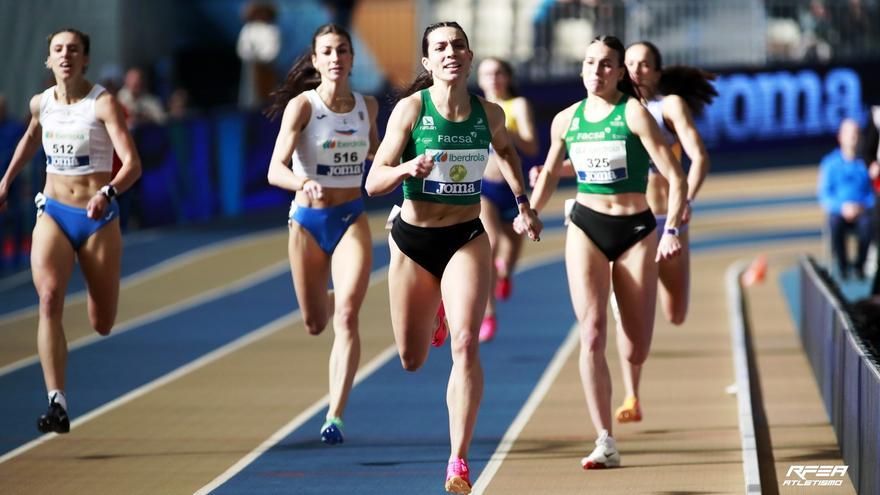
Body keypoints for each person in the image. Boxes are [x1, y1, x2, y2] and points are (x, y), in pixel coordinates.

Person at [365, 22, 541, 494]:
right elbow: (373, 182)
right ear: (427, 61)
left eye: (458, 45)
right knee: (411, 358)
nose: (450, 52)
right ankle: (436, 310)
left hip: (465, 236)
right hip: (413, 242)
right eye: (439, 47)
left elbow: (507, 152)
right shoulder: (409, 111)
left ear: (468, 55)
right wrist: (406, 166)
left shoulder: (490, 113)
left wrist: (523, 203)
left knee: (466, 344)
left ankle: (458, 460)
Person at [527, 35, 686, 470]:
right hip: (586, 224)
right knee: (592, 332)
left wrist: (671, 229)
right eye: (590, 63)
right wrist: (531, 211)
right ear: (581, 69)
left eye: (606, 65)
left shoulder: (632, 113)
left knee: (635, 348)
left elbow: (675, 176)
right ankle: (604, 439)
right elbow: (548, 175)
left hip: (636, 228)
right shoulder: (566, 120)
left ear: (619, 73)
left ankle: (629, 334)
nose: (597, 71)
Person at [0, 28, 142, 433]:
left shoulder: (103, 104)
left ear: (84, 60)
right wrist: (6, 181)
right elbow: (31, 137)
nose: (65, 56)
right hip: (55, 213)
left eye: (73, 50)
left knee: (102, 322)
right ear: (48, 60)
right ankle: (56, 402)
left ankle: (100, 301)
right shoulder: (40, 102)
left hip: (97, 218)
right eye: (58, 50)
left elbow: (132, 164)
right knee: (48, 299)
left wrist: (109, 192)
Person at [264, 23, 379, 445]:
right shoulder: (303, 107)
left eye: (343, 51)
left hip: (351, 217)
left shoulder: (368, 105)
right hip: (307, 222)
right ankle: (329, 297)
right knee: (315, 322)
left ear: (351, 58)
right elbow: (275, 169)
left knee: (347, 315)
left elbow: (377, 156)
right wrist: (302, 183)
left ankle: (335, 415)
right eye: (327, 52)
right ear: (315, 61)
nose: (336, 58)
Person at [610, 41, 716, 423]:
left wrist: (688, 200)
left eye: (644, 65)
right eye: (631, 64)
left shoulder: (668, 106)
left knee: (675, 313)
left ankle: (668, 302)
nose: (637, 71)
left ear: (657, 72)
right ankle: (631, 396)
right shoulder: (615, 109)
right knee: (628, 311)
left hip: (669, 220)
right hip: (630, 223)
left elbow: (699, 156)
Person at [475, 57, 539, 342]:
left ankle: (505, 274)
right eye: (487, 73)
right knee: (491, 244)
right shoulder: (475, 108)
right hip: (484, 188)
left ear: (508, 77)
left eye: (499, 72)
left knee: (511, 251)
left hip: (513, 191)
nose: (493, 78)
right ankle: (488, 314)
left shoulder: (517, 106)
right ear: (479, 78)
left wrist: (505, 130)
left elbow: (531, 145)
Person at [818, 118, 875, 281]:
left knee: (868, 224)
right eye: (850, 134)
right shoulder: (830, 163)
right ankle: (842, 267)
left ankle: (859, 266)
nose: (853, 138)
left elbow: (872, 193)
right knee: (834, 223)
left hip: (862, 212)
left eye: (856, 134)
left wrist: (861, 207)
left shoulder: (865, 163)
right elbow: (824, 195)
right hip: (839, 212)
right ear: (840, 137)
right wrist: (842, 208)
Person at [237, 1, 281, 109]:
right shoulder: (248, 29)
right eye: (259, 12)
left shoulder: (272, 30)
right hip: (251, 68)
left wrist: (263, 57)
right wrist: (252, 56)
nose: (261, 15)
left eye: (264, 12)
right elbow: (242, 48)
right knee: (250, 95)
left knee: (267, 93)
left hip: (266, 68)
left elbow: (273, 49)